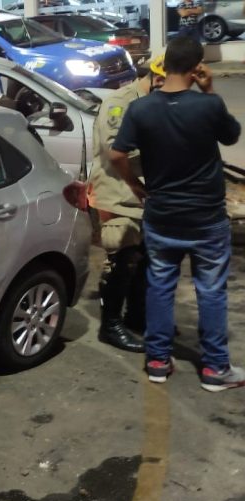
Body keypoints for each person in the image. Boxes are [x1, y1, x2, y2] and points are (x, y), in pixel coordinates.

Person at [111, 36, 243, 390]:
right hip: (206, 219)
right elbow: (232, 136)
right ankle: (215, 369)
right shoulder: (209, 106)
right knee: (211, 291)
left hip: (161, 216)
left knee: (160, 287)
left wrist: (135, 185)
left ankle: (157, 361)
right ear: (197, 67)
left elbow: (117, 154)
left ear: (165, 64)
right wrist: (210, 90)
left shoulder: (141, 109)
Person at [88, 56, 167, 353]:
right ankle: (110, 326)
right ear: (159, 78)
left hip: (144, 192)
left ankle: (136, 316)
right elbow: (116, 150)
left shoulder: (156, 101)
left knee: (144, 257)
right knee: (122, 259)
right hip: (117, 191)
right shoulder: (120, 103)